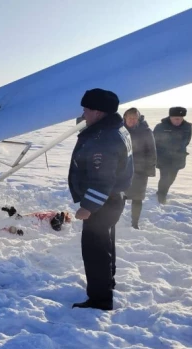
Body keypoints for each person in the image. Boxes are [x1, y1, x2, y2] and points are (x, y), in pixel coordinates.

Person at [68, 88, 133, 311]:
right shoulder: (114, 128)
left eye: (86, 109)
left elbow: (102, 179)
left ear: (98, 112)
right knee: (105, 244)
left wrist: (88, 207)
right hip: (113, 199)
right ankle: (107, 282)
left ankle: (99, 299)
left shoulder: (104, 139)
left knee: (94, 250)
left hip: (103, 202)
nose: (83, 112)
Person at [123, 108, 156, 229]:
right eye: (129, 118)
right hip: (122, 170)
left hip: (140, 170)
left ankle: (135, 223)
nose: (132, 121)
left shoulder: (146, 131)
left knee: (137, 198)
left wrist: (149, 170)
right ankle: (115, 219)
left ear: (138, 119)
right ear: (125, 117)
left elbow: (152, 151)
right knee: (120, 196)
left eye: (134, 118)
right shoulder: (119, 130)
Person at [153, 107, 192, 204]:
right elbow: (154, 141)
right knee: (165, 177)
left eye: (180, 118)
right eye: (175, 118)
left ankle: (163, 191)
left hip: (178, 157)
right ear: (170, 117)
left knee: (172, 177)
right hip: (164, 157)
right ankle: (161, 195)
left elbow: (187, 141)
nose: (178, 121)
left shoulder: (187, 127)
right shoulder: (161, 127)